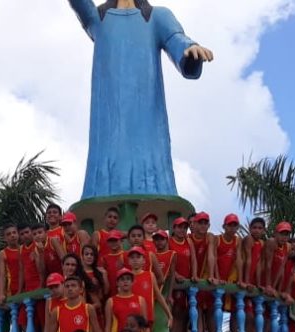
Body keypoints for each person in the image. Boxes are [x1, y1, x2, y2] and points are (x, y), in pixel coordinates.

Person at [68, 0, 213, 199]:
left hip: (147, 111)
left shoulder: (158, 16)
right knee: (108, 161)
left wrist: (191, 49)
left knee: (150, 162)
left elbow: (176, 38)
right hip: (109, 111)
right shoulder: (98, 17)